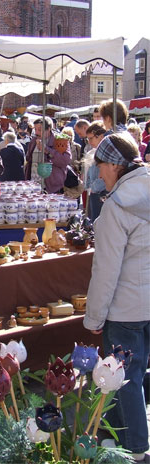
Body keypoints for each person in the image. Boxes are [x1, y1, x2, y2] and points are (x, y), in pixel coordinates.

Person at [83, 132, 150, 462]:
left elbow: (106, 272)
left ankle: (137, 450)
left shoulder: (115, 209)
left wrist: (94, 318)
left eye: (100, 166)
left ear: (114, 165)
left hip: (125, 309)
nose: (99, 173)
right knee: (133, 376)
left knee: (125, 380)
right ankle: (120, 436)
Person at [25, 117, 71, 194]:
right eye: (35, 129)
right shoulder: (33, 141)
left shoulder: (59, 140)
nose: (36, 132)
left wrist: (47, 150)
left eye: (40, 130)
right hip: (34, 187)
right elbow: (28, 160)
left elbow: (65, 160)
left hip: (52, 187)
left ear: (48, 129)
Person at [85, 122, 107, 221]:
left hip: (102, 194)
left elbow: (104, 177)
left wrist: (93, 187)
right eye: (87, 139)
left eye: (91, 138)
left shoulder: (106, 154)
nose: (89, 142)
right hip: (94, 194)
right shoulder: (93, 153)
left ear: (101, 136)